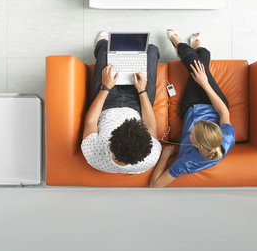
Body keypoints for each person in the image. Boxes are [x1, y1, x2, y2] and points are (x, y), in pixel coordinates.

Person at [150, 29, 235, 187]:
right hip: (214, 103)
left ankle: (191, 47)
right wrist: (205, 84)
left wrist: (165, 155)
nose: (193, 126)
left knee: (200, 62)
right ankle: (180, 45)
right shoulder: (226, 138)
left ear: (198, 145)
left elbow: (155, 185)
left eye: (192, 132)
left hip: (191, 106)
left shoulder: (187, 162)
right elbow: (223, 112)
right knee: (200, 66)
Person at [81, 32, 162, 174]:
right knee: (152, 50)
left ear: (111, 142)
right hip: (137, 104)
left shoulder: (93, 155)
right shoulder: (151, 156)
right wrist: (142, 91)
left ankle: (102, 46)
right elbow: (149, 125)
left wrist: (105, 87)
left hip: (105, 103)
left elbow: (91, 121)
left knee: (105, 46)